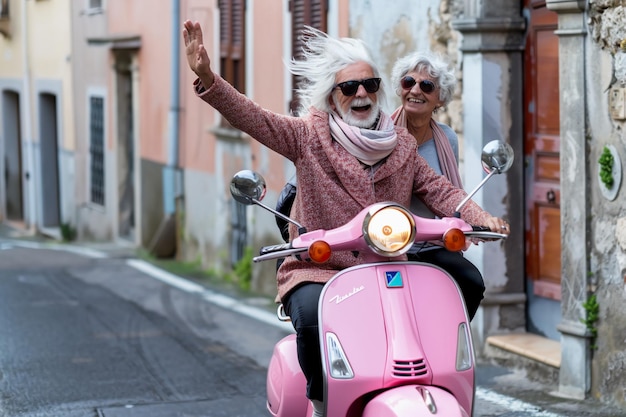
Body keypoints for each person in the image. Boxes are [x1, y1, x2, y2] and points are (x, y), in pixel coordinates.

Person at [183, 20, 510, 417]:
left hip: (389, 265)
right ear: (332, 96)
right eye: (349, 87)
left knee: (455, 289)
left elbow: (442, 190)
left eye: (370, 85)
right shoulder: (308, 137)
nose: (361, 94)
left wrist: (481, 216)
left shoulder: (401, 145)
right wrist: (208, 79)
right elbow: (255, 119)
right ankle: (322, 404)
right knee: (310, 317)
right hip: (321, 266)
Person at [390, 51, 486, 320]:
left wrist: (476, 219)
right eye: (409, 82)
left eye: (427, 86)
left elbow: (447, 192)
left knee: (471, 283)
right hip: (388, 244)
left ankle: (447, 343)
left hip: (432, 244)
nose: (415, 90)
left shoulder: (446, 138)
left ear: (440, 99)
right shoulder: (380, 134)